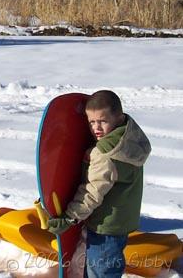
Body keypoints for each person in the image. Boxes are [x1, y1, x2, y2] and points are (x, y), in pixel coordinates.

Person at [47, 90, 151, 278]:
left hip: (106, 225)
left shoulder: (105, 155)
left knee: (102, 271)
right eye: (91, 122)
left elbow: (91, 192)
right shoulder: (129, 136)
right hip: (121, 220)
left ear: (118, 118)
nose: (96, 128)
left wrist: (70, 218)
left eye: (102, 121)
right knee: (102, 268)